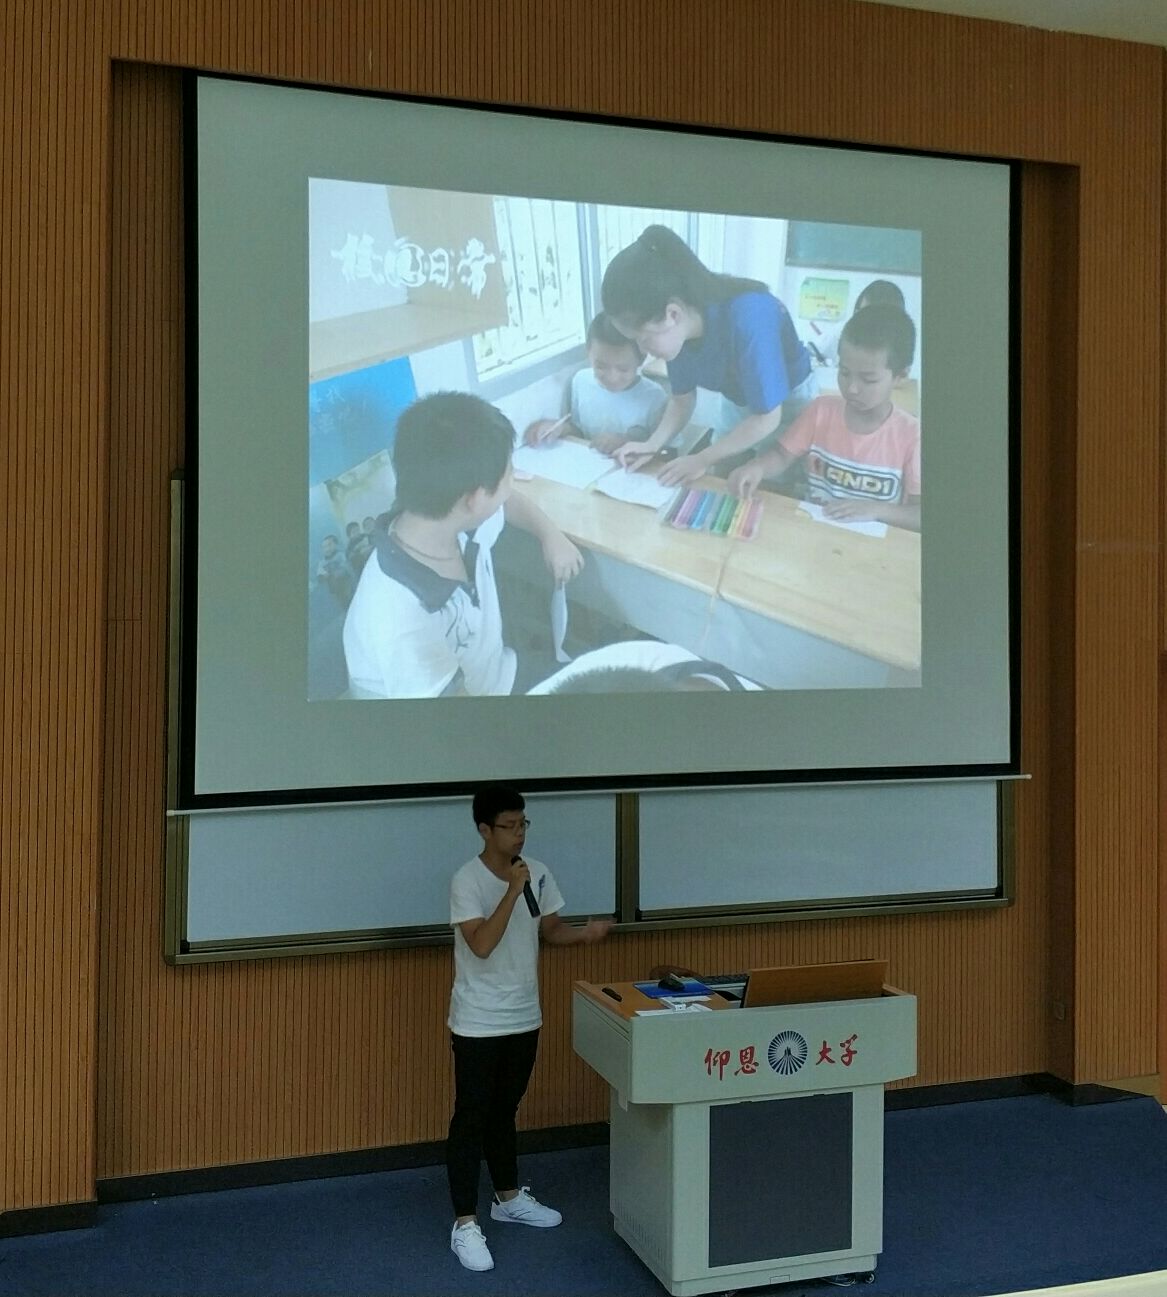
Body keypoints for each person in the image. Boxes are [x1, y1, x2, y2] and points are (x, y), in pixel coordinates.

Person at [447, 785, 612, 1273]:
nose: (519, 834)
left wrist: (584, 935)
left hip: (524, 1014)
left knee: (505, 1110)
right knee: (471, 1117)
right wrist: (511, 890)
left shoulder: (536, 871)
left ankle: (508, 1197)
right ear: (485, 829)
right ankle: (464, 1223)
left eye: (523, 824)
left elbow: (550, 929)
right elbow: (481, 944)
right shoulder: (467, 880)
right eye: (509, 826)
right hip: (478, 1020)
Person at [342, 392, 583, 698]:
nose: (512, 483)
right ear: (476, 499)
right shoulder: (400, 617)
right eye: (509, 474)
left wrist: (550, 535)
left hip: (498, 674)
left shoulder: (446, 517)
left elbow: (508, 502)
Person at [600, 224, 818, 487]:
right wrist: (652, 444)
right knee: (721, 475)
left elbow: (767, 417)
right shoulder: (679, 332)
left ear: (672, 314)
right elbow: (681, 400)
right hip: (739, 399)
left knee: (772, 482)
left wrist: (701, 459)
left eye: (642, 339)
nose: (642, 352)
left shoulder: (750, 318)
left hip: (788, 401)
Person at [727, 304, 921, 531]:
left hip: (872, 545)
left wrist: (876, 510)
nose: (852, 388)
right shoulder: (821, 411)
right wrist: (757, 467)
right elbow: (781, 455)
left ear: (901, 376)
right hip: (814, 530)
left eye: (868, 380)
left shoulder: (912, 436)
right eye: (844, 373)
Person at [523, 313, 668, 453]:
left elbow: (665, 452)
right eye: (601, 367)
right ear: (588, 352)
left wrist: (626, 442)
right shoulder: (580, 381)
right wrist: (557, 429)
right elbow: (579, 431)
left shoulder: (655, 397)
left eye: (623, 369)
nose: (612, 378)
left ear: (641, 359)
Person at [805, 278, 907, 367]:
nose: (866, 323)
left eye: (877, 319)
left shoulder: (898, 347)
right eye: (862, 314)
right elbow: (808, 354)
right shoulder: (842, 333)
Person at [315, 534, 354, 607]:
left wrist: (333, 574)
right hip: (334, 591)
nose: (327, 549)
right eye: (324, 547)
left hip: (347, 586)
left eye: (329, 545)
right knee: (342, 605)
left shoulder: (341, 555)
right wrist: (322, 576)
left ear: (336, 544)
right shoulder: (322, 563)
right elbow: (319, 576)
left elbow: (346, 568)